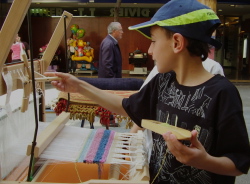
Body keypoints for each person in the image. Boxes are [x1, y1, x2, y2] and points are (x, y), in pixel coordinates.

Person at [45, 0, 250, 183]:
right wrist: (79, 86)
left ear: (177, 43)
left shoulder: (223, 93)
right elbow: (125, 107)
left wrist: (204, 161)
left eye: (153, 40)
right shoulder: (163, 82)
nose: (150, 51)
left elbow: (238, 164)